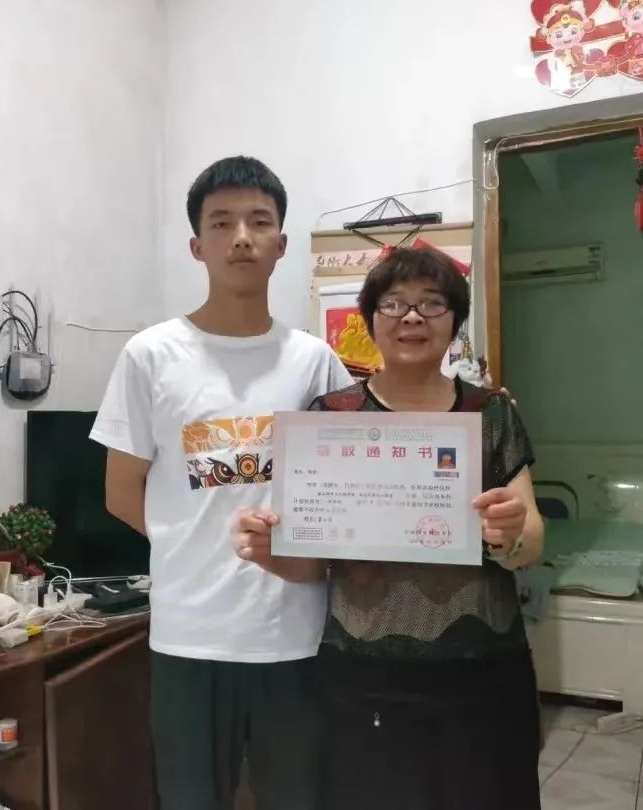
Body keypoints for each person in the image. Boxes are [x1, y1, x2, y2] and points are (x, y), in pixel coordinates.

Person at [233, 246, 545, 810]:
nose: (412, 318)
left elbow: (531, 543)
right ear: (371, 319)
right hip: (361, 673)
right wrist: (269, 551)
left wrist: (511, 532)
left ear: (455, 320)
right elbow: (311, 563)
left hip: (482, 667)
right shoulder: (331, 418)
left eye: (432, 304)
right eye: (395, 304)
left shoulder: (491, 414)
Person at [90, 156, 352, 810]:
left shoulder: (315, 362)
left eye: (259, 221)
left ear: (281, 245)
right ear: (196, 245)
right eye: (221, 222)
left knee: (299, 798)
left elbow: (347, 486)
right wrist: (191, 540)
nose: (241, 237)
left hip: (294, 634)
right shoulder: (151, 355)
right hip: (189, 635)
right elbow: (120, 493)